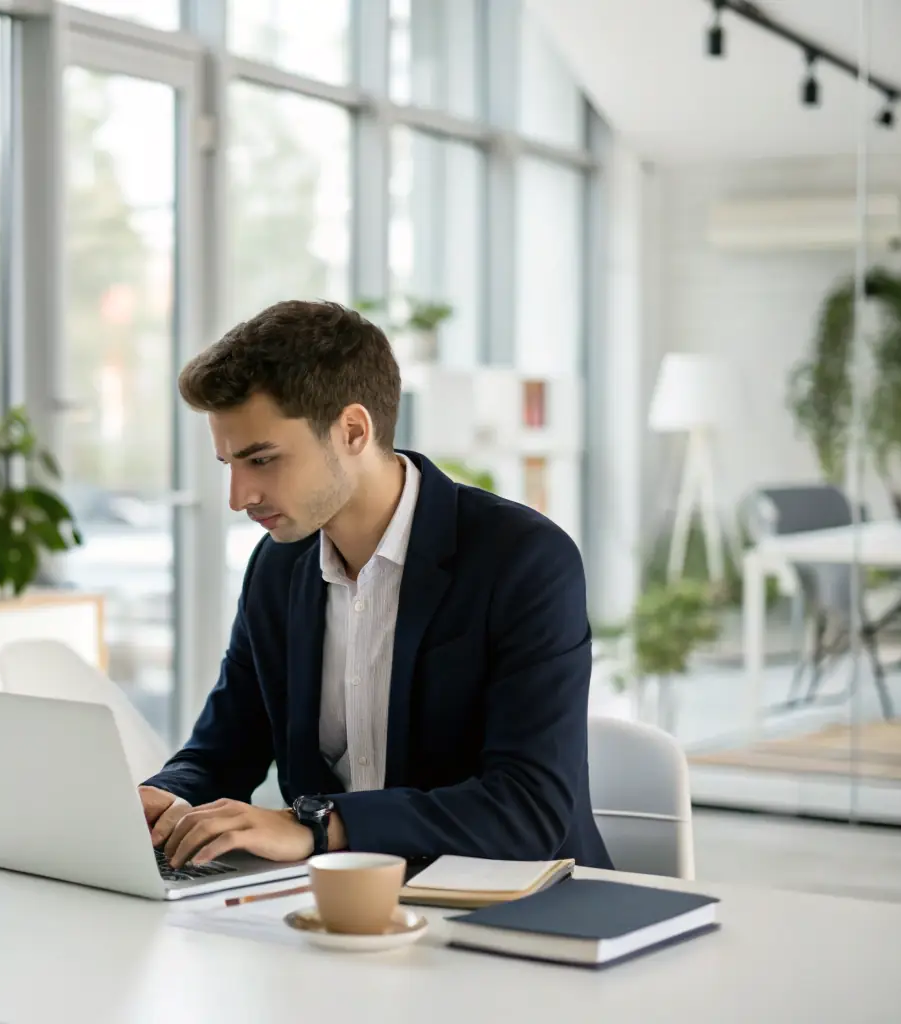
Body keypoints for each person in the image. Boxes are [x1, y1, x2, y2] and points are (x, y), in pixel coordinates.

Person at [142, 299, 613, 872]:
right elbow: (224, 749)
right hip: (342, 913)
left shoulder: (523, 559)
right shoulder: (279, 566)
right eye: (229, 465)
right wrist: (167, 797)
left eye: (262, 460)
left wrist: (316, 825)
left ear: (353, 431)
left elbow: (527, 811)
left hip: (519, 913)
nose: (240, 496)